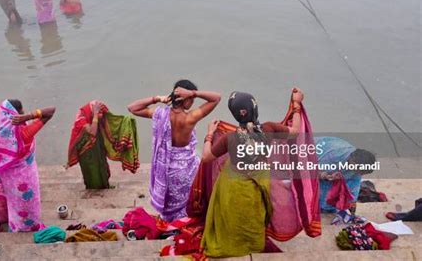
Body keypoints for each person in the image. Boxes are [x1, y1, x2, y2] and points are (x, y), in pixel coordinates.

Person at [200, 89, 319, 257]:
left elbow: (206, 157)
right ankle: (252, 244)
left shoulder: (229, 139)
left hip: (233, 186)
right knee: (255, 212)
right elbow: (295, 131)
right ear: (255, 110)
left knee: (231, 212)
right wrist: (296, 105)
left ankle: (231, 242)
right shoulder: (269, 128)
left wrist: (210, 134)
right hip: (259, 185)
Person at [128, 80, 221, 221]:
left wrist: (157, 98)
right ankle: (184, 224)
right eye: (192, 100)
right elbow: (216, 98)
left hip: (166, 170)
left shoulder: (159, 113)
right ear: (187, 99)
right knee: (185, 201)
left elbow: (132, 108)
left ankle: (170, 223)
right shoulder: (190, 118)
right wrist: (194, 93)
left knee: (170, 201)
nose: (193, 103)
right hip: (185, 170)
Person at [0, 99, 55, 232]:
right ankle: (30, 226)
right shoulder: (25, 132)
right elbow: (51, 111)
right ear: (19, 113)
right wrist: (29, 116)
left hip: (10, 181)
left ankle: (17, 226)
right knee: (29, 203)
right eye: (22, 111)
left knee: (15, 205)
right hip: (27, 178)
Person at [66, 101, 139, 189]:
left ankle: (104, 186)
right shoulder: (81, 119)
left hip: (98, 149)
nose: (101, 116)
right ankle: (93, 190)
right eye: (99, 113)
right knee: (93, 173)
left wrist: (126, 121)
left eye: (101, 113)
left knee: (103, 168)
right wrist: (96, 115)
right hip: (86, 153)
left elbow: (111, 121)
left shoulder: (96, 118)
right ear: (92, 111)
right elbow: (92, 132)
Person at [316, 137, 376, 223]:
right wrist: (324, 175)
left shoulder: (358, 164)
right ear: (353, 163)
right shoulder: (333, 156)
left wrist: (351, 206)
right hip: (312, 155)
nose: (359, 174)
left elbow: (354, 185)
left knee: (342, 185)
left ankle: (328, 206)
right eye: (360, 171)